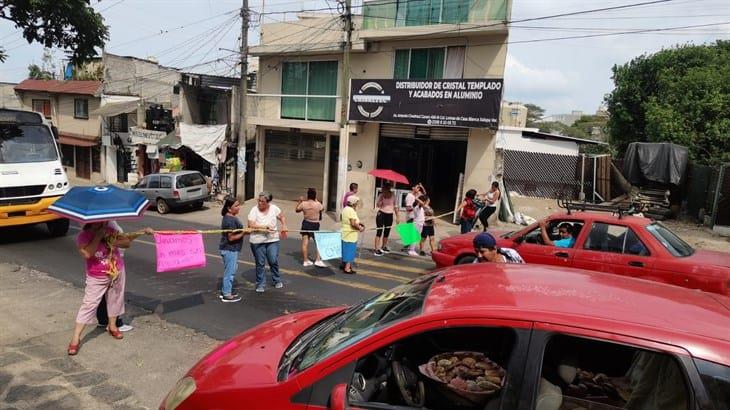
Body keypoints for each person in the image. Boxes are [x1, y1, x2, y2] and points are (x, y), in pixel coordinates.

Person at [68, 221, 152, 355]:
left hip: (116, 271)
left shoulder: (111, 229)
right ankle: (75, 338)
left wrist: (113, 240)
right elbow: (87, 254)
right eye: (100, 221)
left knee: (115, 299)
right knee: (89, 304)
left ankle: (112, 326)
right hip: (97, 276)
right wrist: (98, 237)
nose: (103, 222)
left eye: (104, 220)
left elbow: (126, 243)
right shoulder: (83, 236)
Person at [95, 222, 133, 331]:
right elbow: (124, 242)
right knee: (115, 294)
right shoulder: (107, 225)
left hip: (105, 262)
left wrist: (142, 231)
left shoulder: (104, 223)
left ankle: (103, 320)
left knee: (104, 293)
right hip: (112, 263)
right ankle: (116, 323)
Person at [248, 191, 288, 293]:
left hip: (272, 239)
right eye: (259, 200)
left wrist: (284, 225)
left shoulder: (274, 208)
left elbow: (282, 216)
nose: (260, 203)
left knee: (273, 260)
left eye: (263, 202)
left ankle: (276, 279)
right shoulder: (254, 210)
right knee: (260, 263)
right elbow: (250, 225)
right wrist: (264, 227)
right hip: (257, 240)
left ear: (268, 202)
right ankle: (261, 283)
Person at [219, 196, 249, 303]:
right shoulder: (229, 220)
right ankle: (227, 294)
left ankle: (225, 291)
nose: (238, 207)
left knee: (231, 270)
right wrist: (244, 233)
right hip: (229, 249)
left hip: (231, 249)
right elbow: (231, 238)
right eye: (236, 206)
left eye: (238, 205)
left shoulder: (231, 218)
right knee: (230, 272)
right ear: (229, 208)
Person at [296, 187, 326, 267]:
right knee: (319, 243)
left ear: (307, 195)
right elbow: (323, 209)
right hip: (314, 224)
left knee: (305, 243)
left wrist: (299, 201)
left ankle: (305, 261)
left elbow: (297, 210)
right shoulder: (318, 204)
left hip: (306, 223)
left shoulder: (303, 204)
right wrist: (316, 200)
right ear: (315, 196)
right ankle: (318, 260)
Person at [373, 182, 399, 256]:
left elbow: (396, 206)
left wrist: (398, 217)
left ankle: (383, 246)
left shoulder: (393, 195)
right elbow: (377, 205)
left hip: (389, 214)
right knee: (379, 232)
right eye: (385, 188)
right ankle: (376, 249)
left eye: (387, 188)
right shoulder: (381, 195)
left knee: (387, 232)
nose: (386, 189)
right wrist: (381, 200)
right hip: (381, 214)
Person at [341, 195, 365, 274]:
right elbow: (353, 223)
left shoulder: (345, 209)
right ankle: (347, 268)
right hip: (351, 233)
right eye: (357, 202)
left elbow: (350, 221)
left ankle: (344, 264)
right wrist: (360, 228)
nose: (357, 204)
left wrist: (359, 223)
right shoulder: (351, 210)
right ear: (354, 203)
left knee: (345, 249)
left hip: (345, 232)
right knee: (350, 250)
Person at [403, 183, 426, 253]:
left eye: (419, 188)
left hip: (414, 216)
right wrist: (415, 208)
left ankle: (409, 247)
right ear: (413, 188)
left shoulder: (415, 195)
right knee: (411, 233)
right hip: (411, 217)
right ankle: (409, 249)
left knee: (412, 234)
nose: (418, 189)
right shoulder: (410, 196)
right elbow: (408, 208)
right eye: (417, 187)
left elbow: (425, 195)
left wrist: (422, 187)